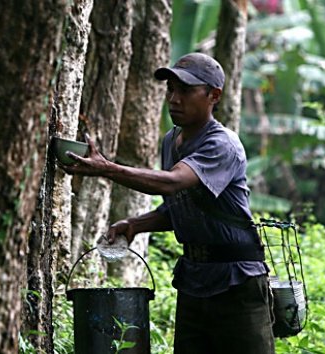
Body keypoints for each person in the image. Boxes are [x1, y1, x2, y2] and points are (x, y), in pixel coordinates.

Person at [60, 52, 275, 354]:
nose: (174, 99)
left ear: (213, 95)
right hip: (194, 281)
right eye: (170, 90)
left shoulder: (222, 144)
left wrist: (106, 168)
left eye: (185, 91)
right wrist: (136, 225)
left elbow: (173, 182)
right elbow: (181, 205)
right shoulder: (170, 142)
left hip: (237, 282)